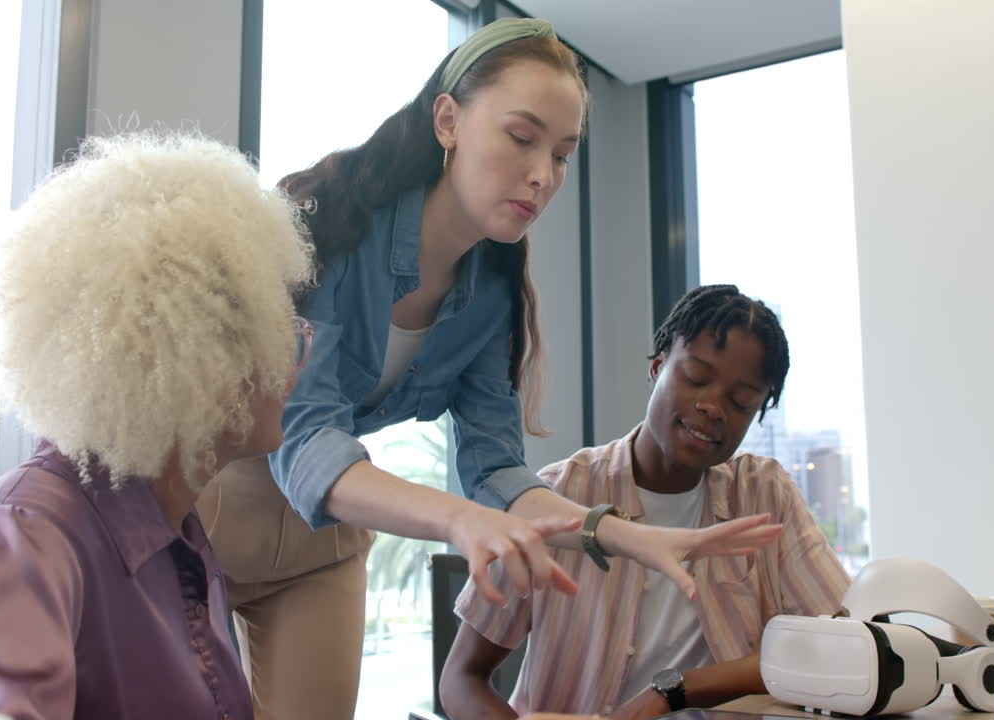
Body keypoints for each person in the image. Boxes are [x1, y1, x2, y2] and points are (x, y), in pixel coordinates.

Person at [197, 18, 782, 720]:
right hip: (209, 506)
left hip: (323, 539)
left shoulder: (493, 293)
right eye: (521, 137)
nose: (543, 175)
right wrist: (461, 522)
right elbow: (307, 440)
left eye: (562, 155)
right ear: (448, 120)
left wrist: (627, 536)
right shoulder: (334, 226)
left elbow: (498, 473)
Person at [0, 132, 315, 720]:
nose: (297, 366)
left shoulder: (180, 534)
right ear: (197, 354)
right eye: (284, 336)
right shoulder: (24, 535)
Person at [439, 285, 852, 719]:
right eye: (696, 378)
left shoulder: (763, 493)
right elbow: (462, 678)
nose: (713, 407)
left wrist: (675, 690)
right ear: (657, 367)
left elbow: (844, 647)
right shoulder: (557, 496)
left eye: (741, 401)